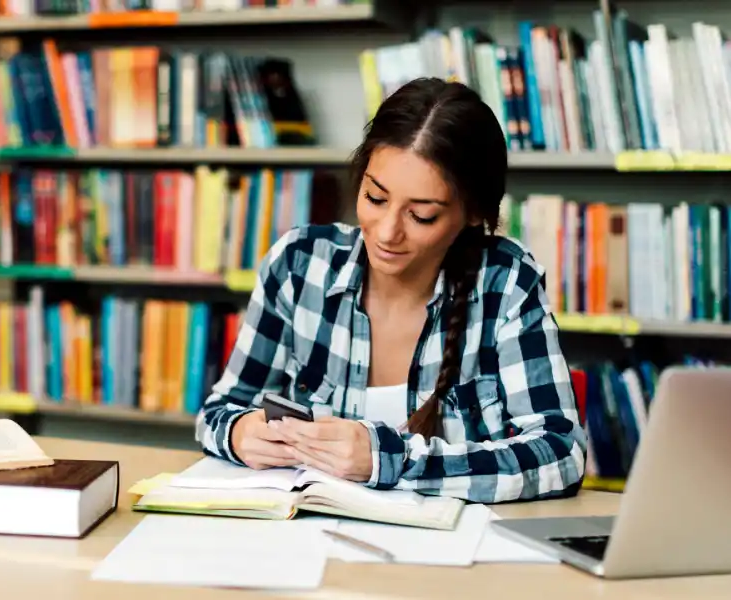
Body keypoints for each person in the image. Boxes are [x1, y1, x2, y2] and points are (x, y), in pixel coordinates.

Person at [195, 77, 587, 504]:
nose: (385, 233)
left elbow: (561, 453)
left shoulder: (506, 283)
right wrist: (238, 434)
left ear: (474, 213)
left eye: (421, 216)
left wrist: (390, 461)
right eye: (375, 198)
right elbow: (219, 411)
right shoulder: (298, 264)